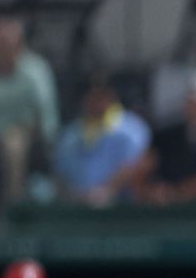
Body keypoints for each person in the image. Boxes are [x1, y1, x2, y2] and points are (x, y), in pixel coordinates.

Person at [0, 19, 60, 204]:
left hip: (21, 132)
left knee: (13, 146)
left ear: (20, 46)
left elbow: (46, 114)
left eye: (7, 44)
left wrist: (45, 137)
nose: (2, 49)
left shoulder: (35, 72)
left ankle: (12, 206)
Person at [135, 67, 196, 205]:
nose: (195, 107)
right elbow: (142, 168)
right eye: (192, 100)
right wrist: (149, 192)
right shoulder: (165, 137)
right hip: (160, 214)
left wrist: (177, 194)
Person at [52, 73, 151, 206]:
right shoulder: (72, 133)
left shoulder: (133, 128)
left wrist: (108, 190)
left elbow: (138, 163)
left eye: (101, 96)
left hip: (122, 207)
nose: (96, 101)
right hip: (78, 206)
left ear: (112, 97)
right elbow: (61, 170)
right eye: (92, 95)